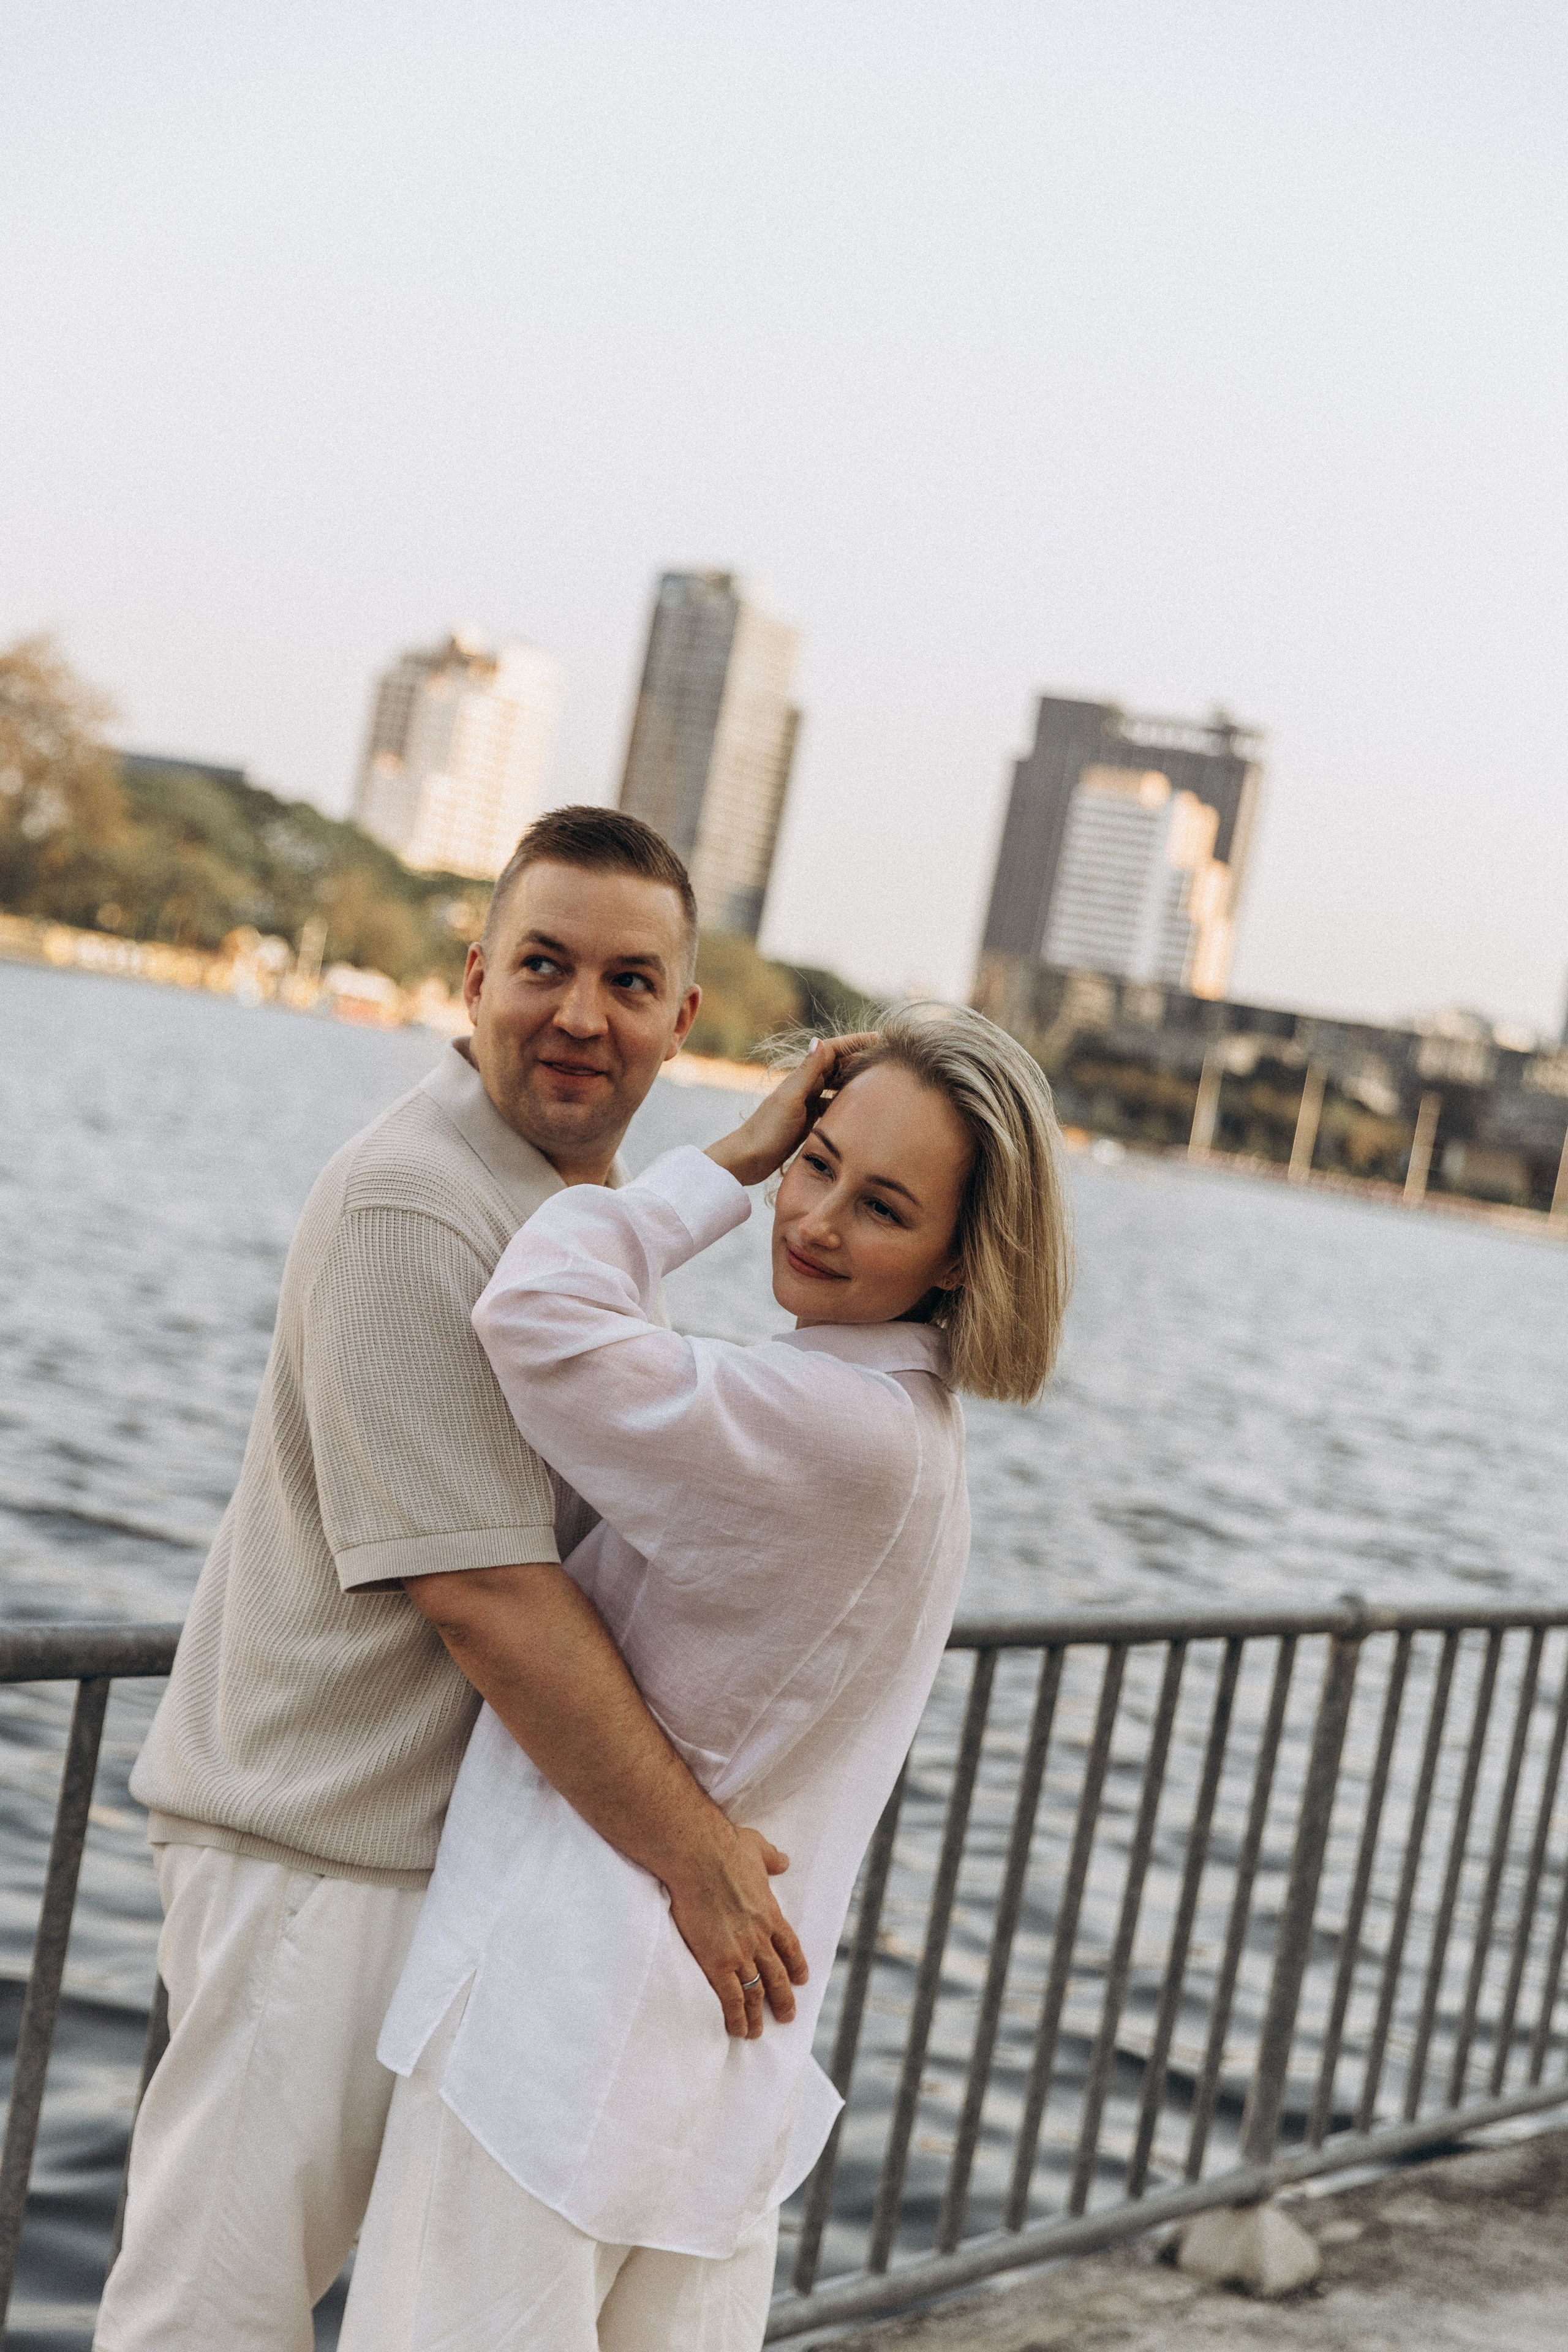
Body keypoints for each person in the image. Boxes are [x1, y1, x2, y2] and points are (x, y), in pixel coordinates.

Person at [97, 809, 810, 2352]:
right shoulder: (418, 1199)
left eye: (629, 982)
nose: (579, 1014)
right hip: (318, 1865)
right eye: (542, 966)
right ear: (472, 977)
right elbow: (485, 1595)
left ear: (681, 1021)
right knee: (206, 2322)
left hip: (447, 1877)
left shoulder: (559, 1219)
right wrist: (694, 1855)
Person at [339, 1003, 1073, 2352]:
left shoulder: (828, 1426)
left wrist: (726, 1159)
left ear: (963, 1258)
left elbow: (538, 1312)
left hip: (559, 2043)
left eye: (882, 1205)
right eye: (816, 1161)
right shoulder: (901, 1432)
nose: (817, 1219)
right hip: (697, 2077)